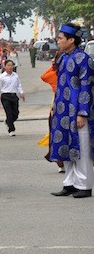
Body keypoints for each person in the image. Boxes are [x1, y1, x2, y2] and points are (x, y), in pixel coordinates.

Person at [50, 23, 94, 199]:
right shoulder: (62, 58)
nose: (58, 41)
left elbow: (87, 86)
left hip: (78, 112)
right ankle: (70, 183)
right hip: (62, 111)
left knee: (81, 148)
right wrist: (54, 106)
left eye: (61, 38)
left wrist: (82, 112)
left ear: (71, 40)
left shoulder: (84, 59)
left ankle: (84, 185)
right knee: (66, 147)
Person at [40, 53, 65, 173]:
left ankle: (61, 163)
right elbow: (43, 77)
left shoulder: (55, 74)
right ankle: (61, 162)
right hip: (57, 107)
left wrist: (53, 66)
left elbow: (44, 76)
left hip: (57, 107)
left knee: (57, 135)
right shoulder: (57, 74)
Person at [0, 60, 25, 137]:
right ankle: (11, 129)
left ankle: (8, 122)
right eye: (9, 65)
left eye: (11, 65)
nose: (10, 67)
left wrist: (21, 92)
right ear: (5, 66)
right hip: (5, 96)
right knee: (9, 113)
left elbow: (18, 85)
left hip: (13, 95)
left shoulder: (15, 75)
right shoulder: (2, 77)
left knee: (16, 113)